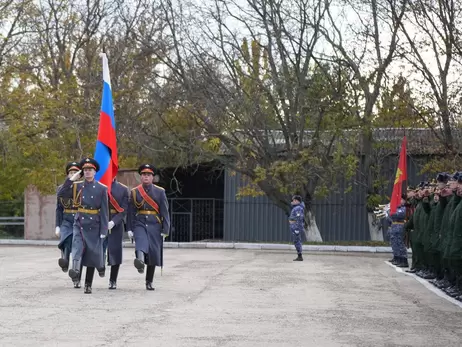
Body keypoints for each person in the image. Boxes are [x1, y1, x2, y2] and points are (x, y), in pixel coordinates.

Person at [57, 157, 109, 294]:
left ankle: (88, 284)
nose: (87, 172)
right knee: (77, 246)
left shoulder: (101, 188)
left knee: (91, 254)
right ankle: (74, 270)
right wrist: (71, 179)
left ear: (95, 171)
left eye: (90, 170)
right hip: (79, 222)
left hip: (94, 224)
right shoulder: (77, 186)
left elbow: (104, 211)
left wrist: (104, 229)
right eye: (85, 170)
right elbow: (61, 194)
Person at [127, 164, 170, 290]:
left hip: (155, 224)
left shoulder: (160, 191)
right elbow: (131, 211)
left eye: (148, 175)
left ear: (152, 177)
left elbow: (165, 212)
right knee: (140, 242)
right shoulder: (135, 192)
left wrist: (165, 230)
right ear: (141, 177)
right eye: (144, 175)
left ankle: (149, 281)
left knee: (152, 253)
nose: (146, 177)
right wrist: (129, 228)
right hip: (139, 222)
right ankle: (139, 262)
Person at [101, 177, 129, 289]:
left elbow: (124, 209)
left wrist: (114, 221)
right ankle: (100, 266)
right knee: (98, 249)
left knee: (115, 253)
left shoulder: (123, 189)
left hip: (116, 224)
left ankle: (113, 280)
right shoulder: (98, 186)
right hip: (101, 222)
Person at [55, 161, 82, 276]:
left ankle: (70, 265)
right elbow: (59, 208)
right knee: (66, 238)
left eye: (75, 172)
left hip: (79, 219)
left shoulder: (83, 187)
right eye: (71, 172)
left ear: (80, 175)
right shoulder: (62, 188)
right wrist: (57, 225)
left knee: (75, 242)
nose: (73, 174)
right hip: (66, 219)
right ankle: (65, 260)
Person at [387, 194, 408, 267]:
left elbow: (397, 215)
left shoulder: (404, 208)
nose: (399, 201)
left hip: (400, 226)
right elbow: (389, 216)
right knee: (394, 243)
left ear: (404, 201)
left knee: (400, 243)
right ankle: (397, 258)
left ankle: (403, 260)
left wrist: (392, 211)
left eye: (401, 199)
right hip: (394, 226)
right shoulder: (396, 208)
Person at [288, 195, 304, 262]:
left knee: (297, 241)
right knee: (296, 241)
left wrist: (297, 228)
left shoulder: (298, 208)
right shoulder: (296, 207)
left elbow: (299, 218)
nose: (292, 201)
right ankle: (299, 255)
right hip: (294, 227)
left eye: (293, 200)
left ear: (297, 201)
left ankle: (299, 256)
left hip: (296, 227)